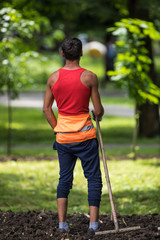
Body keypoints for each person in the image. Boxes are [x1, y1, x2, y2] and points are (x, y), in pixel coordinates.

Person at [43, 37, 104, 235]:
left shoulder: (53, 78)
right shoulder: (90, 77)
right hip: (85, 137)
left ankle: (62, 225)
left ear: (62, 53)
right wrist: (98, 114)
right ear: (81, 53)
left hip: (63, 138)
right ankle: (93, 226)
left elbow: (46, 109)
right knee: (93, 178)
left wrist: (57, 128)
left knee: (65, 179)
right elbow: (98, 110)